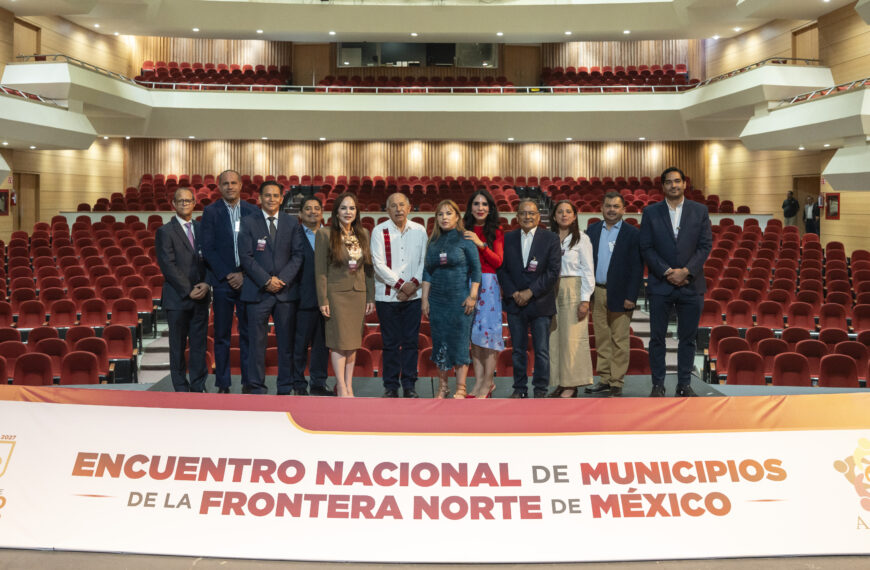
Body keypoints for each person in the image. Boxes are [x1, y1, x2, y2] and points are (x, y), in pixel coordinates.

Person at [640, 167, 712, 397]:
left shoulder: (699, 210)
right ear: (663, 186)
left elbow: (704, 246)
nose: (674, 185)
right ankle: (658, 384)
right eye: (669, 182)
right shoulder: (651, 212)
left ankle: (684, 384)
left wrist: (686, 271)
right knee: (657, 338)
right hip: (661, 284)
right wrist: (668, 271)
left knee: (688, 338)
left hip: (691, 285)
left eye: (677, 181)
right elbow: (646, 248)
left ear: (684, 184)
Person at [238, 181, 305, 395]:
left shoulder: (292, 222)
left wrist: (281, 280)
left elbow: (298, 255)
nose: (272, 199)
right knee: (256, 344)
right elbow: (246, 257)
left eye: (276, 195)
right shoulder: (248, 222)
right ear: (260, 197)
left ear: (282, 198)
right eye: (267, 195)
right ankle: (256, 386)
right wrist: (267, 281)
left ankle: (285, 386)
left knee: (286, 344)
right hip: (258, 292)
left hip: (285, 293)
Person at [201, 169, 259, 393]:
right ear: (219, 186)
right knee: (222, 335)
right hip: (223, 282)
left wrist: (243, 274)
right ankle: (223, 382)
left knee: (248, 334)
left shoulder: (253, 211)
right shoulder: (211, 212)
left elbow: (258, 247)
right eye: (225, 183)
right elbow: (208, 249)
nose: (229, 187)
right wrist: (228, 274)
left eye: (233, 183)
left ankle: (247, 381)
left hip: (248, 280)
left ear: (241, 185)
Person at [497, 199, 561, 399]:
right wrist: (514, 293)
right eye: (523, 213)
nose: (527, 217)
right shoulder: (507, 239)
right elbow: (501, 269)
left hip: (540, 303)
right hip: (515, 303)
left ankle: (540, 389)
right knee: (518, 350)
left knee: (541, 350)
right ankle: (520, 388)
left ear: (538, 216)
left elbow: (552, 272)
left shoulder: (550, 238)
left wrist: (530, 292)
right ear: (517, 216)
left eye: (531, 213)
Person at [314, 192, 375, 397]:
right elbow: (320, 270)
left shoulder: (363, 234)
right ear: (336, 211)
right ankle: (340, 385)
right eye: (343, 208)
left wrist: (370, 297)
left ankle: (349, 385)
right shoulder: (324, 234)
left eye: (352, 208)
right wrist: (323, 299)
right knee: (339, 343)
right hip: (336, 295)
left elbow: (368, 268)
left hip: (357, 294)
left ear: (356, 212)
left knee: (353, 344)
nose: (348, 212)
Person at [584, 192, 643, 398]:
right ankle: (605, 379)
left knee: (619, 339)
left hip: (621, 294)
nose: (611, 210)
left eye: (616, 206)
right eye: (608, 205)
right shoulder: (591, 230)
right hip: (597, 292)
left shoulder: (632, 234)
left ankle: (617, 381)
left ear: (623, 209)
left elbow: (637, 268)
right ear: (602, 208)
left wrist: (632, 297)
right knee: (602, 338)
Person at [422, 200, 482, 399]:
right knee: (440, 343)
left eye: (449, 213)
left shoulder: (465, 239)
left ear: (457, 216)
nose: (444, 217)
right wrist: (425, 300)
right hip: (438, 302)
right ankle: (442, 387)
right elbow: (427, 273)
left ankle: (461, 387)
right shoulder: (433, 242)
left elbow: (476, 270)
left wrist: (473, 296)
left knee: (460, 342)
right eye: (440, 214)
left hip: (460, 301)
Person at [371, 193, 427, 398]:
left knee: (412, 342)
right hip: (387, 297)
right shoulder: (379, 231)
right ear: (387, 210)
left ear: (410, 207)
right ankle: (391, 385)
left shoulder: (420, 231)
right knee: (391, 343)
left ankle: (410, 384)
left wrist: (412, 286)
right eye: (393, 205)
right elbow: (378, 265)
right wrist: (402, 286)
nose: (398, 209)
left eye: (402, 204)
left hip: (414, 296)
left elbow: (424, 261)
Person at [155, 188, 210, 392]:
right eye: (181, 201)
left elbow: (211, 260)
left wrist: (207, 284)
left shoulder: (202, 228)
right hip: (178, 298)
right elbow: (168, 265)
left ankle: (198, 385)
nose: (185, 204)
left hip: (201, 297)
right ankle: (180, 386)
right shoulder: (164, 231)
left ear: (194, 203)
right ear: (174, 204)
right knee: (177, 346)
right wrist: (189, 290)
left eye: (188, 201)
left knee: (199, 345)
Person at [547, 200, 595, 398]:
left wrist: (585, 300)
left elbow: (588, 270)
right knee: (554, 338)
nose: (564, 215)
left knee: (572, 339)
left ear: (575, 216)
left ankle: (572, 385)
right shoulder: (549, 239)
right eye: (560, 211)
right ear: (554, 216)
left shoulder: (582, 239)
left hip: (573, 289)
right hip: (551, 290)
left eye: (568, 211)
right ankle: (559, 382)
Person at [462, 189, 504, 398]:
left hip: (488, 284)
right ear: (470, 207)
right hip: (466, 283)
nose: (480, 208)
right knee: (474, 337)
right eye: (476, 204)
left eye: (484, 204)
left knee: (488, 336)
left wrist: (480, 245)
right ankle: (478, 383)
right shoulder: (463, 229)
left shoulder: (495, 230)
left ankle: (488, 382)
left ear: (490, 208)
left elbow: (498, 261)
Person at [292, 197, 332, 396]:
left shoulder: (331, 235)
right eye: (308, 208)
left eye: (317, 208)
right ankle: (298, 383)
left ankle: (318, 383)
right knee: (299, 345)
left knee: (322, 345)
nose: (312, 212)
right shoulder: (293, 235)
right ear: (300, 214)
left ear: (322, 213)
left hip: (326, 301)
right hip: (301, 299)